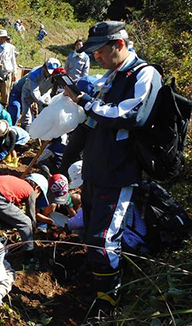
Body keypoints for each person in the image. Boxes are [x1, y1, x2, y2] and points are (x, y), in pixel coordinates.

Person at [63, 21, 161, 307]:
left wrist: (87, 103)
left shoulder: (144, 74)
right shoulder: (111, 75)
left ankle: (108, 302)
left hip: (117, 173)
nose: (96, 57)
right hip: (96, 169)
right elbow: (97, 117)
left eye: (100, 51)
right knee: (92, 232)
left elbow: (131, 116)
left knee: (104, 239)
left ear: (119, 44)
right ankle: (95, 288)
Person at [20, 58, 61, 131]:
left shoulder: (56, 75)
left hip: (45, 93)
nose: (50, 75)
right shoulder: (35, 73)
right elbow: (34, 91)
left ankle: (42, 131)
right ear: (44, 67)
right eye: (49, 72)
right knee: (26, 115)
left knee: (45, 113)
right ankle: (26, 131)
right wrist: (42, 102)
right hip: (29, 93)